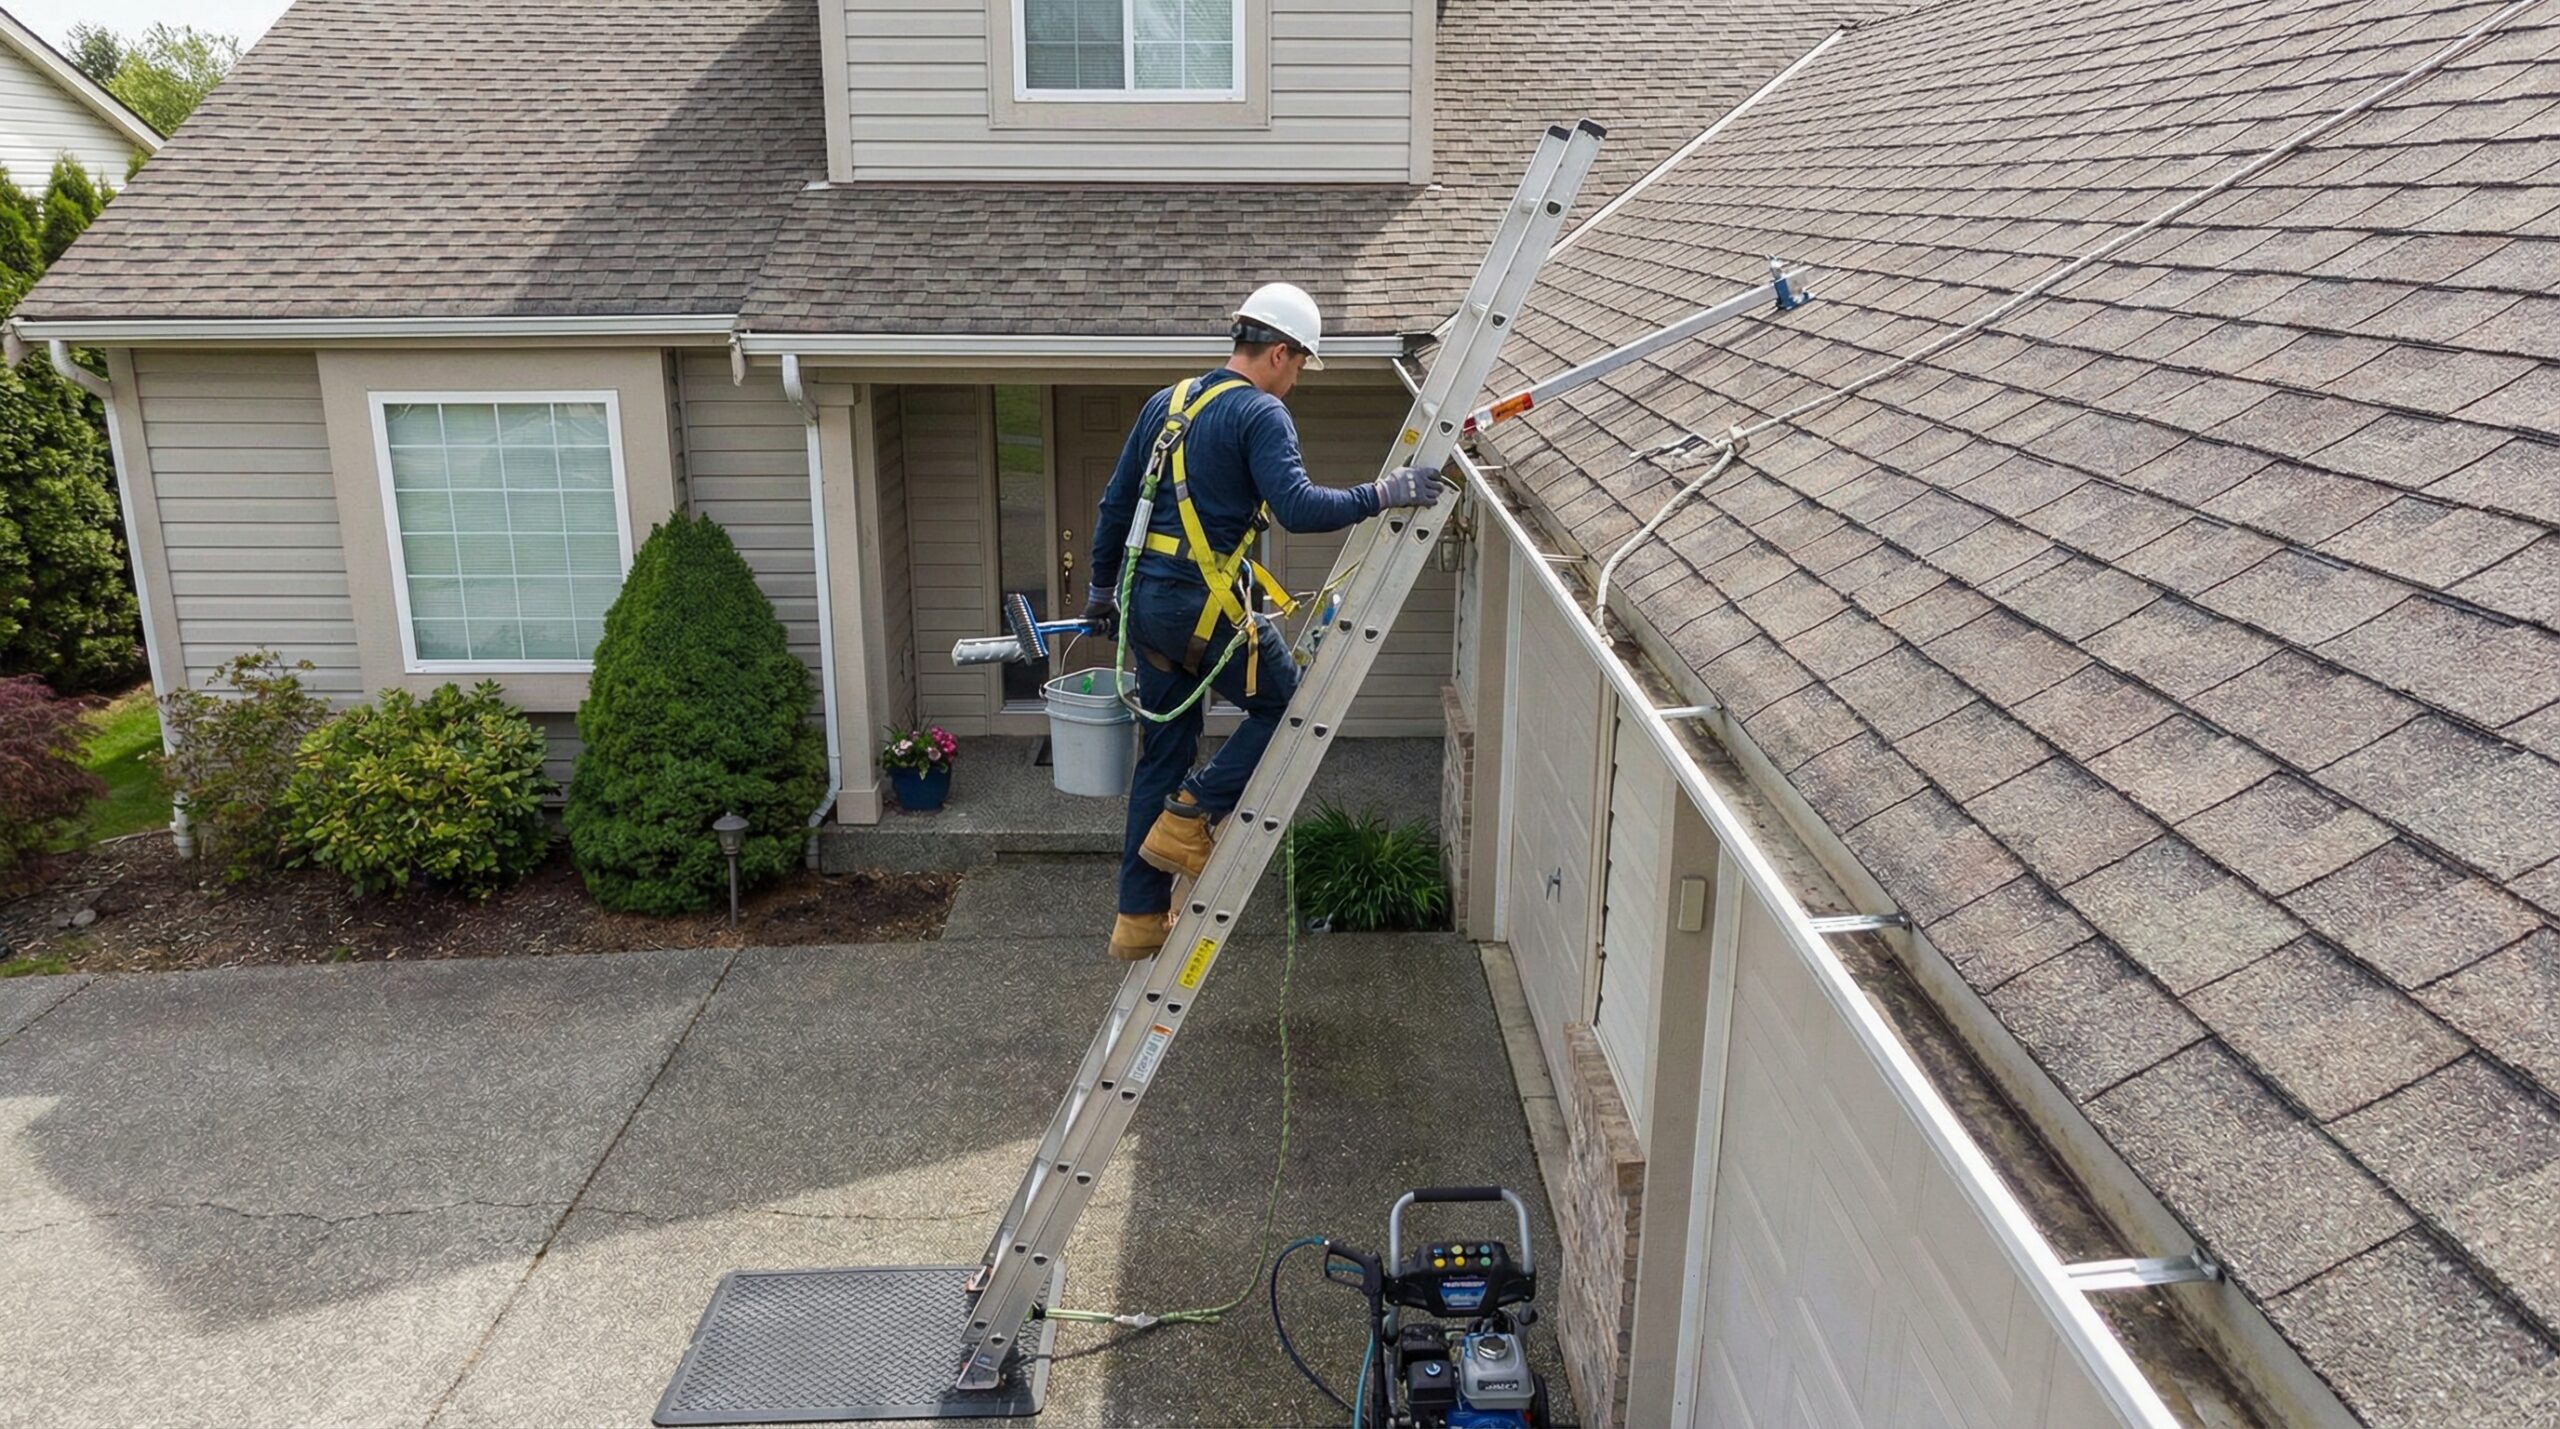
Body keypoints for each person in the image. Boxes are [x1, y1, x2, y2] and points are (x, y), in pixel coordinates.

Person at [1083, 282, 1445, 961]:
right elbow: (1299, 507)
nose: (1298, 378)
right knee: (1288, 705)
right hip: (1204, 606)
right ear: (1279, 352)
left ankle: (1137, 917)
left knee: (1160, 755)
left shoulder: (1169, 403)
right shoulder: (1260, 413)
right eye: (1301, 363)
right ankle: (1192, 811)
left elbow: (1113, 506)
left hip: (1151, 609)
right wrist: (1383, 493)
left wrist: (1101, 592)